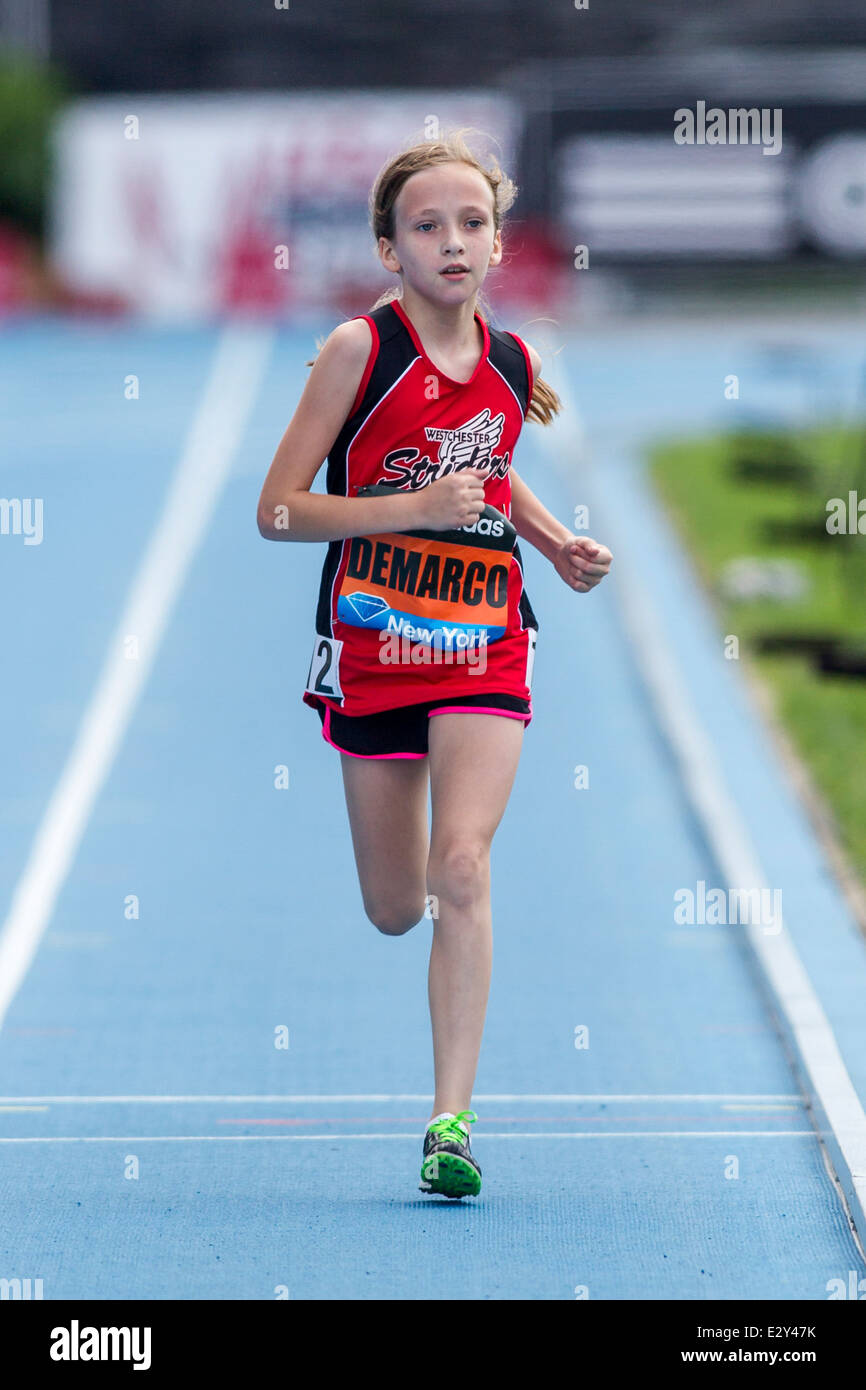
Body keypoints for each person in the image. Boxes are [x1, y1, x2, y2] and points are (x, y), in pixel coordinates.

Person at [257, 127, 612, 1199]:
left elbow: (492, 471)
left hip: (485, 637)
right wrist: (411, 508)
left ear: (499, 244)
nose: (451, 242)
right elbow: (277, 510)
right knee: (392, 904)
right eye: (427, 226)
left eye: (471, 223)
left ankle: (448, 1121)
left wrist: (553, 543)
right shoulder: (356, 354)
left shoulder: (513, 361)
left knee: (462, 865)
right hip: (373, 643)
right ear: (388, 248)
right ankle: (420, 916)